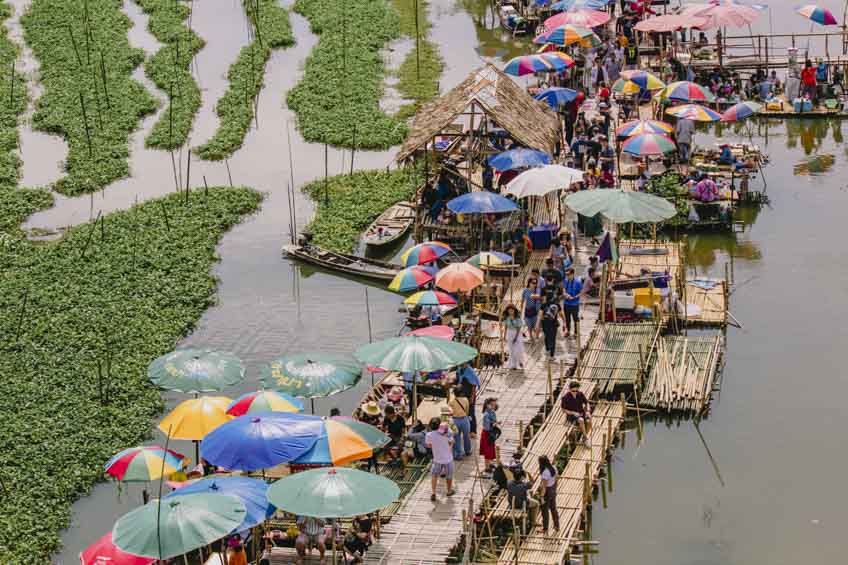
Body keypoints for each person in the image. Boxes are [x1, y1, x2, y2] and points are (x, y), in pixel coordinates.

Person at [426, 417, 456, 501]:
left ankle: (433, 493)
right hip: (448, 459)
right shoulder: (447, 432)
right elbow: (452, 441)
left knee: (434, 476)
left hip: (437, 459)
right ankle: (449, 491)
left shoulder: (429, 435)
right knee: (449, 476)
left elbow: (428, 445)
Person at [561, 381, 592, 447]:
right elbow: (563, 410)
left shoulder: (580, 394)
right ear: (569, 389)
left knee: (589, 420)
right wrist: (573, 413)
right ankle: (586, 438)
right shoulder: (565, 397)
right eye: (573, 391)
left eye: (576, 391)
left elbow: (587, 403)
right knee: (581, 420)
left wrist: (588, 411)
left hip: (581, 412)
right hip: (571, 415)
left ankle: (584, 436)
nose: (575, 392)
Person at [456, 362, 479, 437]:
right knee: (464, 412)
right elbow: (458, 380)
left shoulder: (470, 371)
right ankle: (466, 429)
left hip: (469, 395)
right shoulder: (459, 370)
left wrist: (472, 397)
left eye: (463, 364)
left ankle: (473, 431)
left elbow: (474, 385)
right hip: (462, 395)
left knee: (471, 412)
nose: (461, 365)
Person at [538, 456, 560, 533]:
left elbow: (544, 487)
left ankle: (545, 528)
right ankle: (557, 525)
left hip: (547, 492)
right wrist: (555, 489)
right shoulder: (554, 468)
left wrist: (541, 497)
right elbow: (557, 479)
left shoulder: (545, 473)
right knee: (553, 508)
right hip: (553, 489)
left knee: (545, 510)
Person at [449, 390, 472, 460]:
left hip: (455, 420)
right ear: (462, 393)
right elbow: (467, 410)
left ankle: (458, 455)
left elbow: (449, 412)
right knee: (466, 436)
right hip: (464, 419)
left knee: (456, 437)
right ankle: (467, 451)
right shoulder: (465, 400)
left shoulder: (451, 401)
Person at [502, 304, 525, 370]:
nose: (510, 312)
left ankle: (520, 361)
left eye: (512, 310)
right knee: (511, 349)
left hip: (517, 333)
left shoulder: (518, 318)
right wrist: (504, 336)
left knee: (518, 349)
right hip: (509, 333)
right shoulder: (507, 318)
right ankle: (513, 364)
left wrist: (515, 337)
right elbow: (506, 327)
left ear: (514, 311)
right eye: (509, 311)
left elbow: (518, 328)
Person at [480, 398, 499, 473]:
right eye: (492, 405)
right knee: (487, 450)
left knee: (491, 449)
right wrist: (494, 424)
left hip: (491, 433)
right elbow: (487, 427)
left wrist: (495, 423)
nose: (494, 406)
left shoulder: (492, 412)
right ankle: (487, 467)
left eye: (494, 405)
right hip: (487, 434)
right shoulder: (486, 415)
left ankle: (490, 463)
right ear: (487, 405)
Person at [562, 267, 582, 338]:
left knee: (575, 318)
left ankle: (576, 332)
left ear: (573, 274)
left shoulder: (578, 282)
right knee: (567, 319)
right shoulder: (565, 281)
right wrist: (566, 295)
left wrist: (575, 297)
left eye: (569, 274)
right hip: (566, 303)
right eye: (566, 274)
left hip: (574, 304)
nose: (567, 276)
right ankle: (568, 331)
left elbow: (581, 292)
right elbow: (563, 290)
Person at [540, 293, 561, 360]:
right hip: (553, 324)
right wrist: (564, 322)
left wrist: (542, 321)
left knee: (547, 336)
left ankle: (547, 349)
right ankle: (552, 355)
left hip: (545, 324)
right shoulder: (557, 305)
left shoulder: (543, 305)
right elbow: (561, 314)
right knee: (553, 339)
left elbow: (540, 315)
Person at [522, 276, 542, 341]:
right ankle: (530, 337)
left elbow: (541, 297)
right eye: (533, 283)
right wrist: (522, 308)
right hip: (527, 310)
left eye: (535, 283)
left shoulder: (537, 290)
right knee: (529, 325)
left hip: (535, 310)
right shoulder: (525, 290)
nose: (534, 284)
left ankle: (536, 337)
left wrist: (535, 296)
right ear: (529, 283)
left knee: (536, 325)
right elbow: (523, 300)